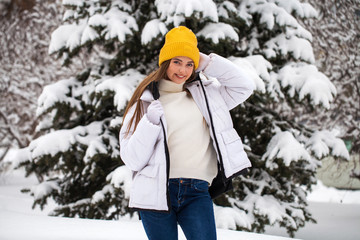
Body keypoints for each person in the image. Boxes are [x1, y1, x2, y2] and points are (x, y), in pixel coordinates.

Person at [119, 26, 255, 240]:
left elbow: (244, 86)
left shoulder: (208, 98)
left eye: (189, 64)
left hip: (197, 190)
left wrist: (209, 63)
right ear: (165, 62)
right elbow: (132, 159)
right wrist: (149, 123)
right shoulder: (144, 102)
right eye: (177, 62)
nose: (183, 70)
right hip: (156, 192)